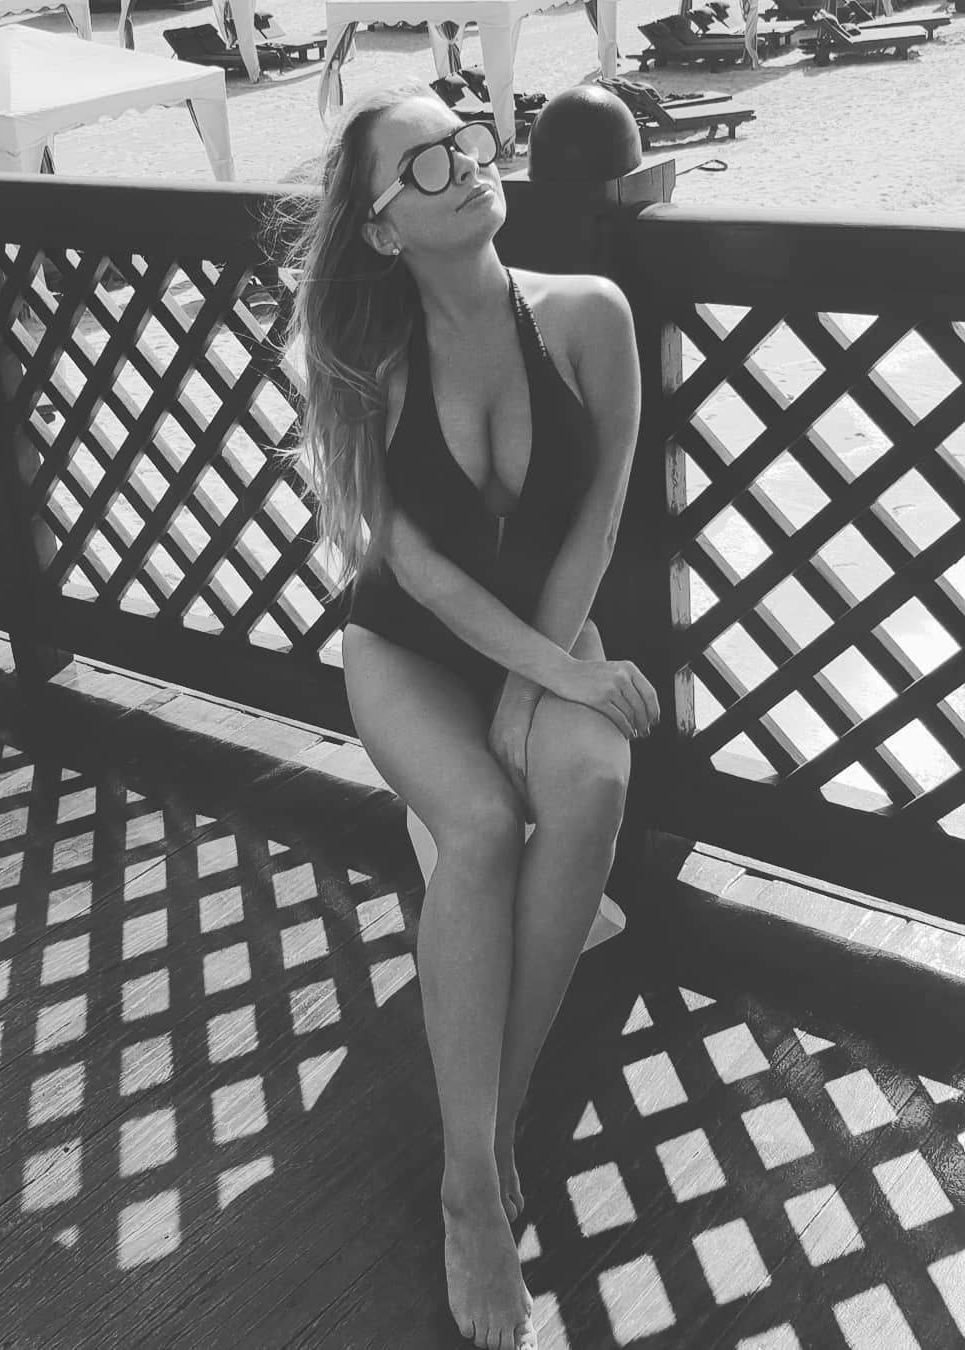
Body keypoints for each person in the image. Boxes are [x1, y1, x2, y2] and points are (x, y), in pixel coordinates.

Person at [281, 82, 659, 1350]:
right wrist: (535, 685)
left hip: (541, 635)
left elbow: (600, 513)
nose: (469, 162)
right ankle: (471, 1193)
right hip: (406, 649)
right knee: (485, 827)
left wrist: (544, 680)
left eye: (467, 139)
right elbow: (422, 578)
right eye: (429, 164)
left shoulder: (587, 315)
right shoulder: (368, 362)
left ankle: (485, 1138)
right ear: (383, 226)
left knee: (593, 783)